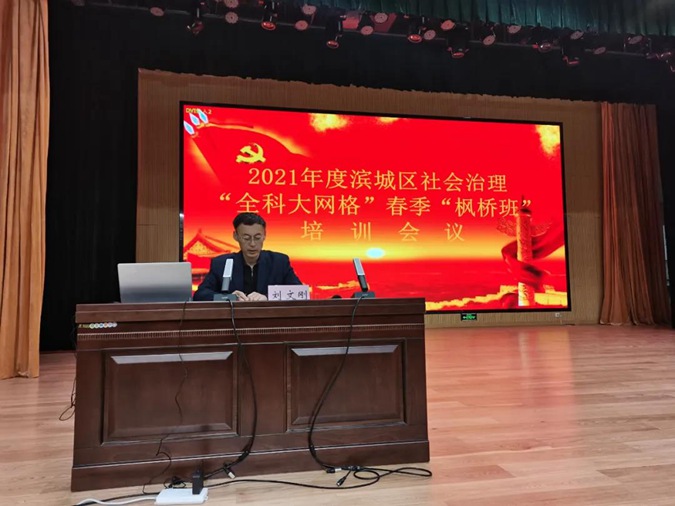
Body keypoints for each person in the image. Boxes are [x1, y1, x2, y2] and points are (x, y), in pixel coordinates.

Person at [193, 213, 302, 301]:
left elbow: (299, 292)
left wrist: (267, 297)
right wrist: (230, 298)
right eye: (246, 238)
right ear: (236, 236)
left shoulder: (279, 262)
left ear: (264, 235)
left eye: (257, 238)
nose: (252, 244)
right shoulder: (222, 264)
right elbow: (200, 295)